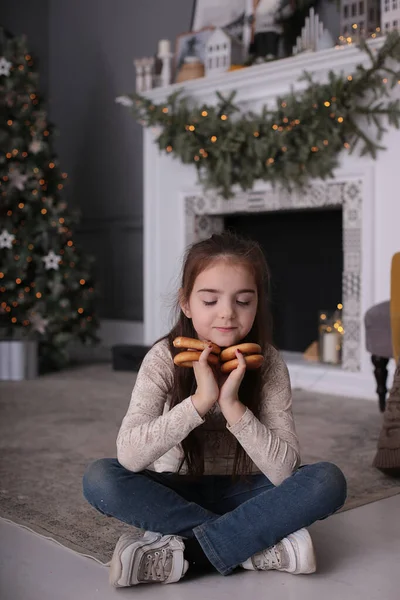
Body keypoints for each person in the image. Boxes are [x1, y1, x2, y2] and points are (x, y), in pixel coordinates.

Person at [83, 231, 347, 587]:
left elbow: (284, 471)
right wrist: (199, 402)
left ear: (257, 304)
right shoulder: (162, 359)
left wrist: (231, 405)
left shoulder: (268, 363)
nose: (227, 314)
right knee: (100, 478)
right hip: (175, 491)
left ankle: (186, 553)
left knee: (327, 481)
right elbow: (130, 456)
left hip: (247, 491)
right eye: (210, 301)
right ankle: (252, 546)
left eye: (243, 301)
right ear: (187, 303)